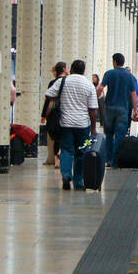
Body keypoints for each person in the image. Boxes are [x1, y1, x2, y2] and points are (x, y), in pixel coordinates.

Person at [42, 59, 98, 191]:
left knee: (66, 150)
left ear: (71, 69)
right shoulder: (89, 85)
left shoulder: (63, 81)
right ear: (83, 70)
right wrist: (93, 129)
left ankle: (66, 175)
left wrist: (60, 98)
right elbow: (93, 110)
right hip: (83, 125)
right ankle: (78, 182)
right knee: (81, 152)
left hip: (66, 124)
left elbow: (48, 94)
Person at [100, 52, 138, 166]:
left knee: (109, 135)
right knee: (120, 136)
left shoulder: (109, 73)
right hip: (123, 109)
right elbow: (133, 94)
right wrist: (135, 110)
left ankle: (108, 160)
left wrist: (95, 99)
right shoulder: (130, 76)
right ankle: (116, 161)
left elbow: (100, 88)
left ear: (114, 62)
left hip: (109, 108)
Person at [41, 62, 66, 167]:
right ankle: (60, 158)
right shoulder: (67, 81)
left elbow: (47, 99)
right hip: (65, 111)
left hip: (53, 112)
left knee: (53, 137)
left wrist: (43, 115)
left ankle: (53, 159)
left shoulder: (52, 83)